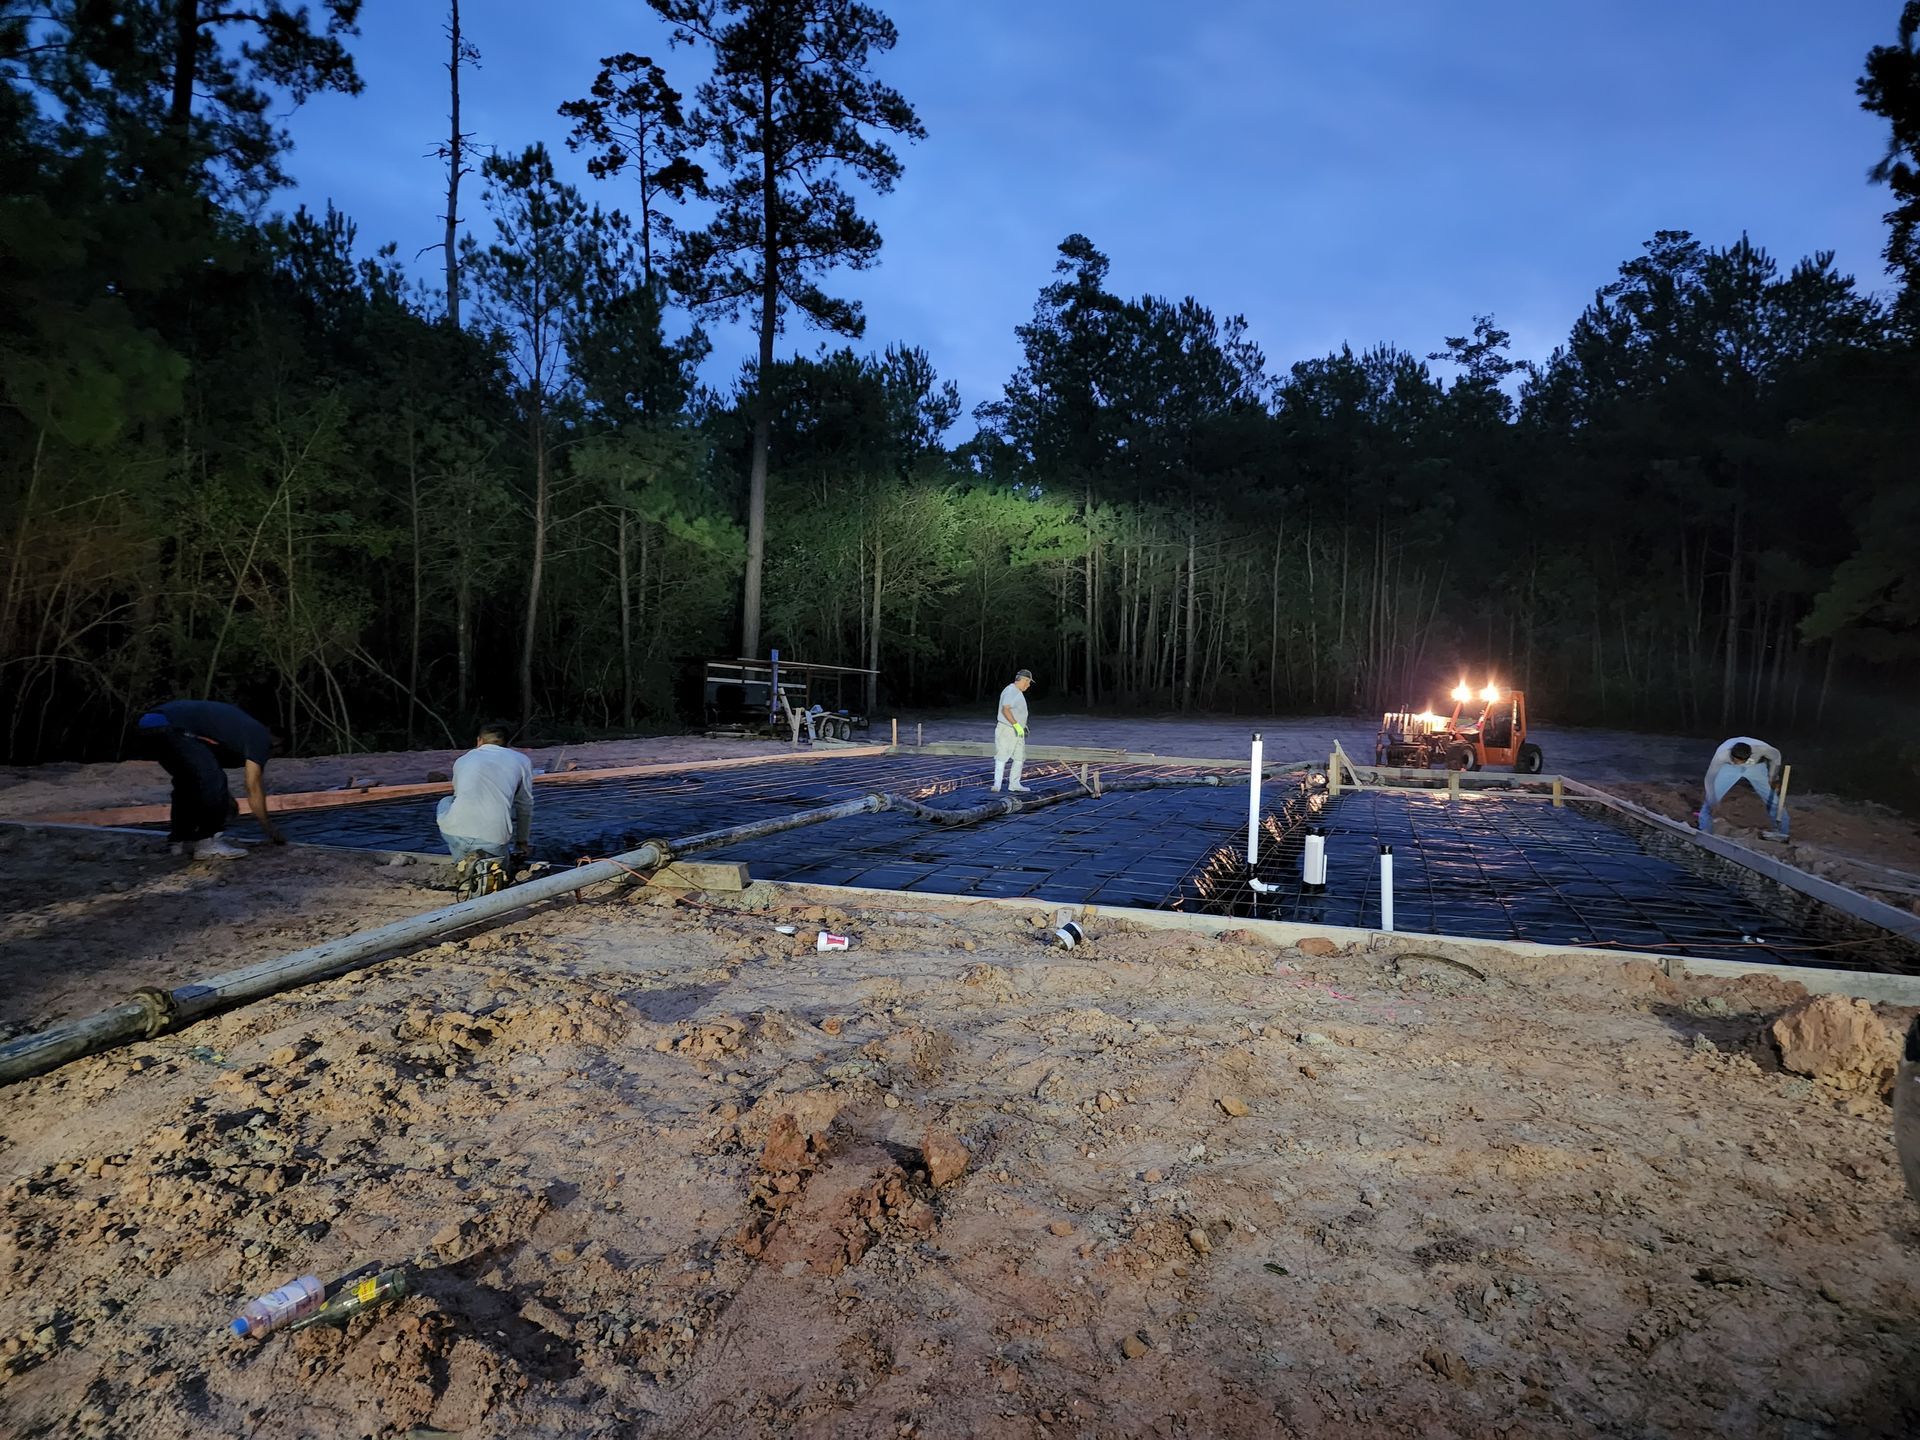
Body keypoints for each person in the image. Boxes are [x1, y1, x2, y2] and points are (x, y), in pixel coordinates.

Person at [135, 700, 285, 859]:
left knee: (186, 781)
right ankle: (208, 841)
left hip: (148, 724)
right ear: (276, 743)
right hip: (173, 727)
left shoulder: (235, 729)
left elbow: (201, 769)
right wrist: (269, 829)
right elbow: (253, 785)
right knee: (214, 780)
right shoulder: (261, 736)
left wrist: (223, 798)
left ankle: (180, 841)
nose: (265, 758)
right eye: (274, 754)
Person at [436, 723, 534, 888]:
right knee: (500, 872)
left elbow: (459, 794)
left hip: (456, 832)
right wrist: (522, 842)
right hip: (494, 837)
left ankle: (462, 862)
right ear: (507, 745)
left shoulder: (463, 759)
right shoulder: (521, 760)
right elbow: (525, 805)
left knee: (446, 802)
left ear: (479, 741)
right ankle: (486, 864)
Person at [1700, 736, 1784, 832]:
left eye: (1741, 761)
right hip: (1729, 768)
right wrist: (1712, 800)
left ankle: (1781, 830)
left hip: (1755, 766)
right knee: (1709, 801)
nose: (1738, 763)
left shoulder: (1762, 750)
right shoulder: (1721, 755)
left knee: (1773, 800)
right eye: (1736, 760)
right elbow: (1710, 778)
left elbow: (1776, 757)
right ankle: (1705, 829)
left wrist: (1772, 777)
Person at [993, 669, 1034, 793]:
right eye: (1028, 682)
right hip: (1007, 729)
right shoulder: (1011, 691)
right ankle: (997, 785)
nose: (1029, 685)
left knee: (1019, 757)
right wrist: (1016, 725)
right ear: (1023, 680)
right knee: (1002, 755)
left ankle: (1014, 784)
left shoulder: (1017, 692)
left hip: (1017, 730)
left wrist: (1022, 727)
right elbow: (1006, 709)